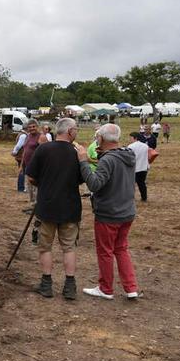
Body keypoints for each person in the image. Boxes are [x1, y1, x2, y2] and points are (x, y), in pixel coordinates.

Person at [75, 124, 140, 300]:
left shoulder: (108, 160)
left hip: (109, 213)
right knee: (121, 249)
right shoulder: (128, 154)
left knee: (105, 251)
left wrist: (83, 161)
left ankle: (105, 288)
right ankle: (131, 288)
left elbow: (95, 184)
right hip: (127, 211)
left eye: (98, 137)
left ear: (101, 139)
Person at [25, 118, 83, 300]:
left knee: (45, 247)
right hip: (70, 206)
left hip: (47, 205)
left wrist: (45, 184)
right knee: (69, 248)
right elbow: (83, 178)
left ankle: (46, 284)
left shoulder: (44, 149)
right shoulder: (77, 152)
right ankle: (70, 286)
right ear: (70, 131)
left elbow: (31, 176)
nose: (77, 133)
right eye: (76, 130)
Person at [21, 119, 42, 204]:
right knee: (29, 186)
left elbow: (47, 151)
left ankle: (38, 206)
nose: (32, 128)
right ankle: (32, 204)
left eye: (34, 126)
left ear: (37, 127)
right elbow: (25, 151)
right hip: (27, 166)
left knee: (36, 187)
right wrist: (21, 166)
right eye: (30, 127)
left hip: (37, 167)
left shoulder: (41, 136)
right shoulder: (28, 136)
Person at [127, 132, 149, 202]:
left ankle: (130, 198)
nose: (129, 139)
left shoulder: (130, 146)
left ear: (135, 138)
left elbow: (129, 157)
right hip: (143, 167)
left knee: (131, 184)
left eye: (130, 137)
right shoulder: (145, 146)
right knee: (142, 183)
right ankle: (144, 197)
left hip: (134, 168)